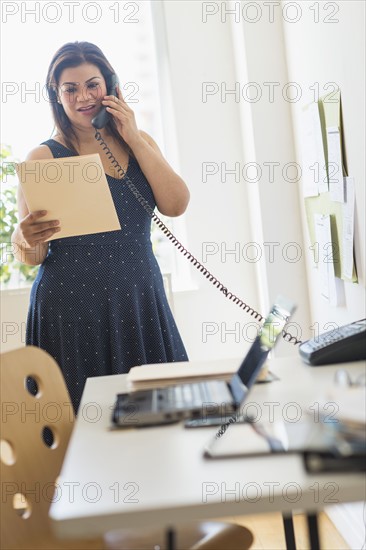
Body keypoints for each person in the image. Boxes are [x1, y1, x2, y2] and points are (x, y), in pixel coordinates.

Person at [12, 41, 190, 413]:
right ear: (56, 95)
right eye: (70, 89)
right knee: (86, 428)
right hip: (71, 309)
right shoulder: (44, 157)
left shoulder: (140, 143)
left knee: (162, 417)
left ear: (111, 85)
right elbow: (32, 255)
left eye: (93, 84)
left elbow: (176, 204)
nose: (83, 97)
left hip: (138, 299)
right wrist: (23, 236)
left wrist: (134, 136)